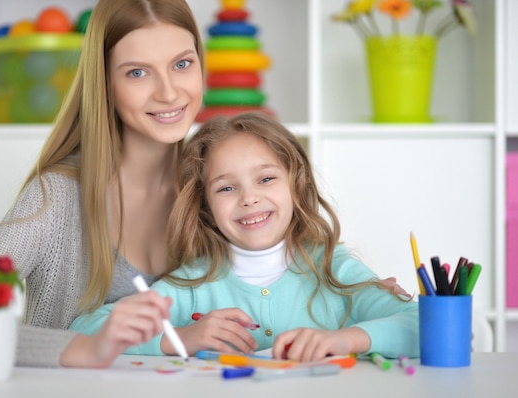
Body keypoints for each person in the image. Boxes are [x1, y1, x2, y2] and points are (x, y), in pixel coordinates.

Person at [0, 0, 204, 368]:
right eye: (137, 72)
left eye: (182, 64)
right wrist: (86, 348)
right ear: (104, 83)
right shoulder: (57, 197)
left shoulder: (214, 186)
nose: (169, 92)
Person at [71, 112, 420, 362]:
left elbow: (427, 326)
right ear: (205, 206)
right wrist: (179, 338)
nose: (249, 198)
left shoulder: (333, 269)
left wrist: (342, 340)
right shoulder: (193, 284)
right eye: (226, 187)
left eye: (266, 179)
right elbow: (87, 327)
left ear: (295, 186)